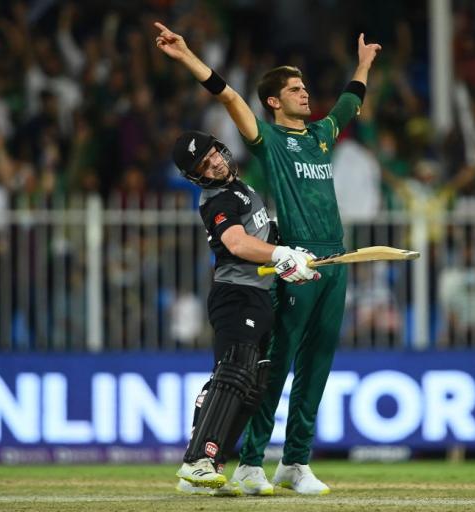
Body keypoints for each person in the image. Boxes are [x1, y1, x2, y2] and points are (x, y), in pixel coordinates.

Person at [155, 21, 381, 495]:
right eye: (295, 89)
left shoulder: (321, 134)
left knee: (318, 363)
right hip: (295, 261)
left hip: (336, 260)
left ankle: (296, 462)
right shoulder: (268, 142)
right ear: (274, 101)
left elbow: (350, 103)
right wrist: (188, 56)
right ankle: (251, 461)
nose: (305, 93)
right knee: (274, 365)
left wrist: (362, 66)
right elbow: (230, 98)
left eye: (304, 86)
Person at [171, 130, 319, 496]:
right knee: (234, 372)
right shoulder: (218, 198)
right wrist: (279, 255)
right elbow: (236, 243)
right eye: (204, 164)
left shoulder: (242, 189)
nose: (215, 163)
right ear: (196, 176)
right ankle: (196, 462)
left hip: (256, 296)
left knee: (251, 387)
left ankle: (212, 466)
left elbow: (260, 244)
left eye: (213, 154)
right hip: (235, 297)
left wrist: (289, 259)